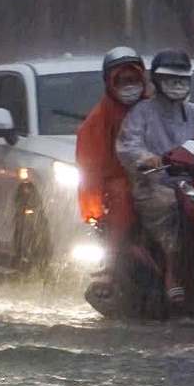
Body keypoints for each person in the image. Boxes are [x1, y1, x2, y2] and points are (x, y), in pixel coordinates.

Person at [117, 49, 194, 312]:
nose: (176, 84)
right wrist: (147, 158)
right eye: (169, 78)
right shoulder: (141, 113)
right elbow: (129, 145)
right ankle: (173, 270)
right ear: (157, 81)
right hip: (154, 185)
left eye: (181, 79)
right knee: (173, 207)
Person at [74, 46, 147, 245]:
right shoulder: (97, 122)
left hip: (162, 178)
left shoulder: (156, 108)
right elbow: (90, 169)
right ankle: (118, 260)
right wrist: (94, 212)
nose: (129, 86)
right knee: (121, 196)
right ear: (110, 83)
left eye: (133, 80)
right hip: (122, 187)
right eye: (122, 81)